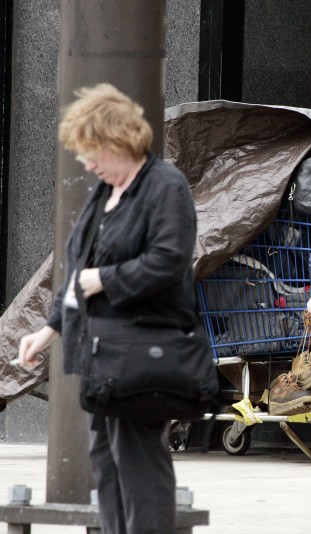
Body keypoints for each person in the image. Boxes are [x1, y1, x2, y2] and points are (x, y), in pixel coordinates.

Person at [18, 83, 198, 533]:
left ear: (117, 140)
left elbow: (169, 260)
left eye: (91, 149)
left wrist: (105, 279)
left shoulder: (164, 186)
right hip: (103, 354)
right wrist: (50, 329)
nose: (86, 161)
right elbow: (79, 267)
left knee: (140, 467)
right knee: (109, 466)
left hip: (143, 351)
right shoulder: (106, 193)